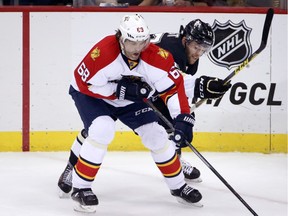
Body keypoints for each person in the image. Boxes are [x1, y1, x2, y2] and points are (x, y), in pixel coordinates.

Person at [57, 18, 231, 203]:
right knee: (101, 129)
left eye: (142, 42)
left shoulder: (157, 56)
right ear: (121, 38)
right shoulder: (104, 52)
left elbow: (172, 87)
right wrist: (118, 90)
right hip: (93, 95)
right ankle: (81, 187)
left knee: (156, 134)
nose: (137, 48)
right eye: (132, 42)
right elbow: (84, 83)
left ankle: (178, 185)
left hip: (130, 99)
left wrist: (183, 117)